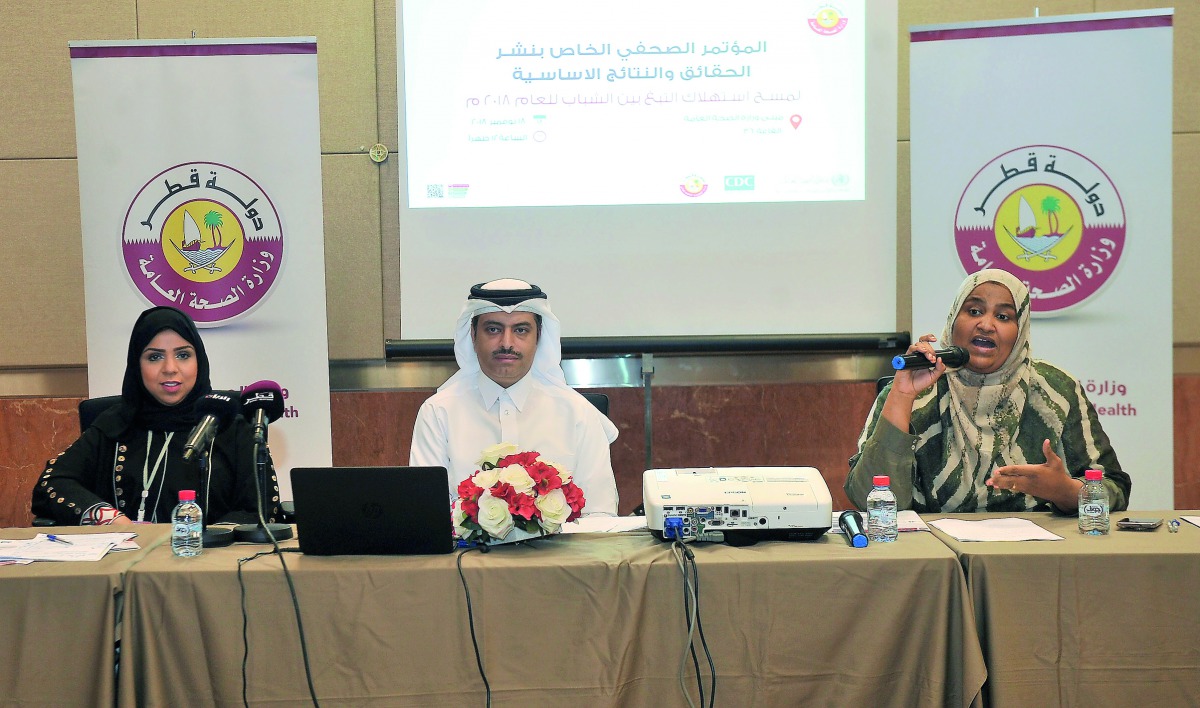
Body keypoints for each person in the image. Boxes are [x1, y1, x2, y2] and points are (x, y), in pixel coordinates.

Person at [845, 268, 1129, 513]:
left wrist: (1066, 491)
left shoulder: (1056, 391)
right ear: (953, 320)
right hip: (932, 556)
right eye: (974, 311)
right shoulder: (914, 390)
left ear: (1021, 332)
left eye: (1004, 317)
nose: (986, 324)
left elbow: (1114, 489)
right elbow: (868, 499)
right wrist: (903, 395)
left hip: (1031, 559)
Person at [32, 306, 282, 526]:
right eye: (155, 357)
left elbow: (260, 510)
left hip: (209, 569)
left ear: (200, 362)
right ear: (136, 365)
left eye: (183, 355)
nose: (170, 368)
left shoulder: (231, 427)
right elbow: (53, 482)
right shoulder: (114, 424)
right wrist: (111, 519)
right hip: (125, 569)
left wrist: (200, 539)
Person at [410, 278, 620, 515]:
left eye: (520, 330)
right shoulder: (438, 412)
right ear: (472, 335)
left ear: (539, 336)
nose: (507, 343)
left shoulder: (578, 413)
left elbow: (600, 514)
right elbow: (426, 514)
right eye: (493, 329)